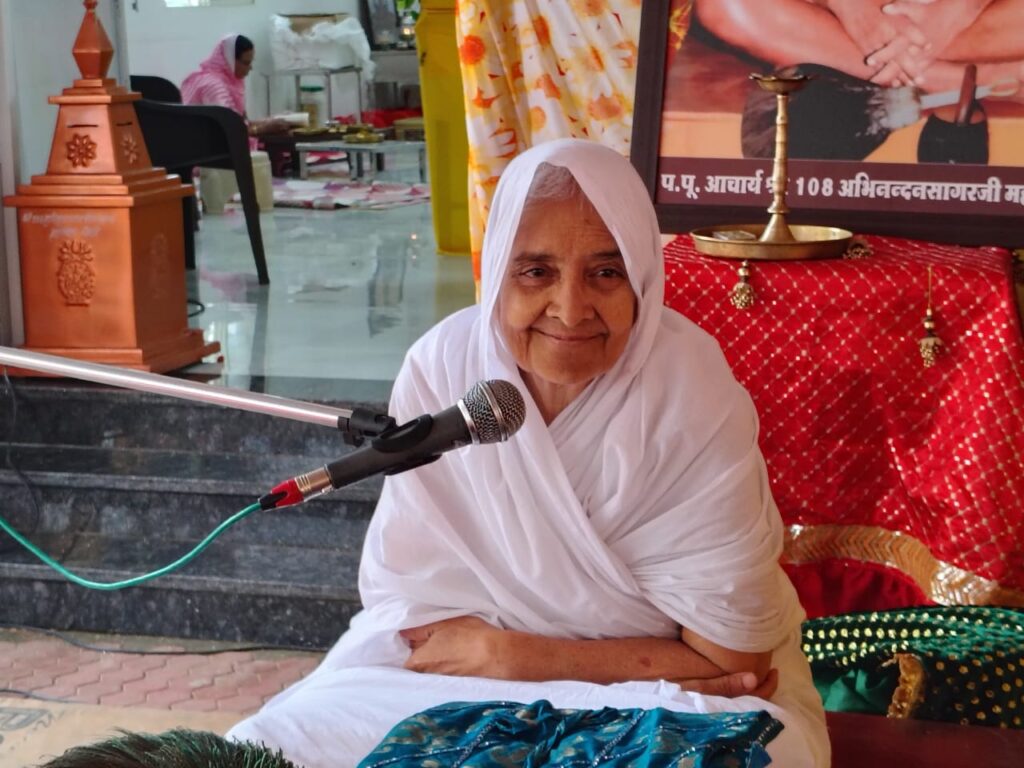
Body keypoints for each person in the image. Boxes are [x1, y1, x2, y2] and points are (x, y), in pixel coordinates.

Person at [226, 139, 830, 767]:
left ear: (642, 279)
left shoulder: (690, 388)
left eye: (606, 272)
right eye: (536, 272)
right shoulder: (443, 366)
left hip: (659, 699)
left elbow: (731, 664)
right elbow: (418, 624)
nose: (570, 310)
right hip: (454, 681)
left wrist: (516, 657)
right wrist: (492, 661)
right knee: (262, 749)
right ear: (496, 273)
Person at [695, 0, 1024, 95]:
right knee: (727, 7)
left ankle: (906, 62)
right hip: (841, 24)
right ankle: (958, 79)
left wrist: (958, 9)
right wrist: (850, 6)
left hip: (982, 16)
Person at [181, 34, 290, 138]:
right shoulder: (214, 86)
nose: (250, 68)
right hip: (210, 147)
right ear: (230, 60)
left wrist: (270, 121)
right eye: (246, 63)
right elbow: (228, 130)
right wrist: (262, 129)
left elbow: (240, 123)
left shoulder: (213, 79)